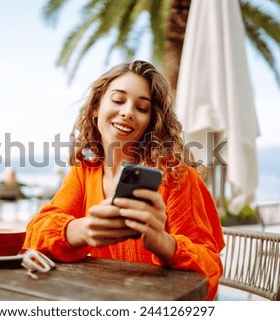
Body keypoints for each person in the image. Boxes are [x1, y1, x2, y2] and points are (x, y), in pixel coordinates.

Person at [23, 60, 225, 300]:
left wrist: (163, 243)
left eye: (142, 108)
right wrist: (81, 230)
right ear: (96, 107)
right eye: (118, 100)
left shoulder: (176, 176)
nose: (128, 112)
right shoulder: (85, 172)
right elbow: (34, 234)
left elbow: (209, 271)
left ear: (151, 121)